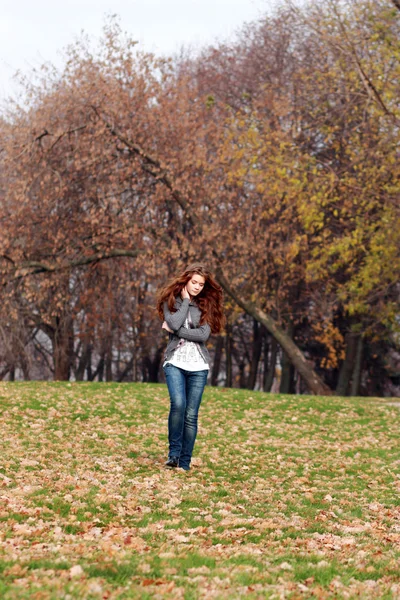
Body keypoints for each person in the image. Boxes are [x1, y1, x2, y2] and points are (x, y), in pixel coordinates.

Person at [156, 263, 225, 471]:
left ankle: (184, 463)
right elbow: (176, 322)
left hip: (198, 365)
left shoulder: (206, 305)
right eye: (194, 282)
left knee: (191, 414)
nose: (196, 287)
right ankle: (173, 454)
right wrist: (185, 302)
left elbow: (203, 335)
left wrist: (175, 330)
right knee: (178, 404)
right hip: (175, 361)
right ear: (186, 280)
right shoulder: (171, 301)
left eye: (201, 284)